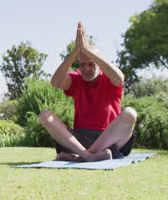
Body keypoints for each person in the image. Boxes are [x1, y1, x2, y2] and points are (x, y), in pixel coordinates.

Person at [39, 21, 137, 162]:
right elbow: (55, 82)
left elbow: (119, 78)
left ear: (99, 64)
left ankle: (82, 156)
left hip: (108, 139)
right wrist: (76, 52)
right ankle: (87, 155)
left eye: (91, 64)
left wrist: (88, 51)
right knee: (45, 115)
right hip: (80, 139)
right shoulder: (76, 78)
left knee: (130, 113)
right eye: (82, 64)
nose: (86, 68)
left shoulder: (109, 78)